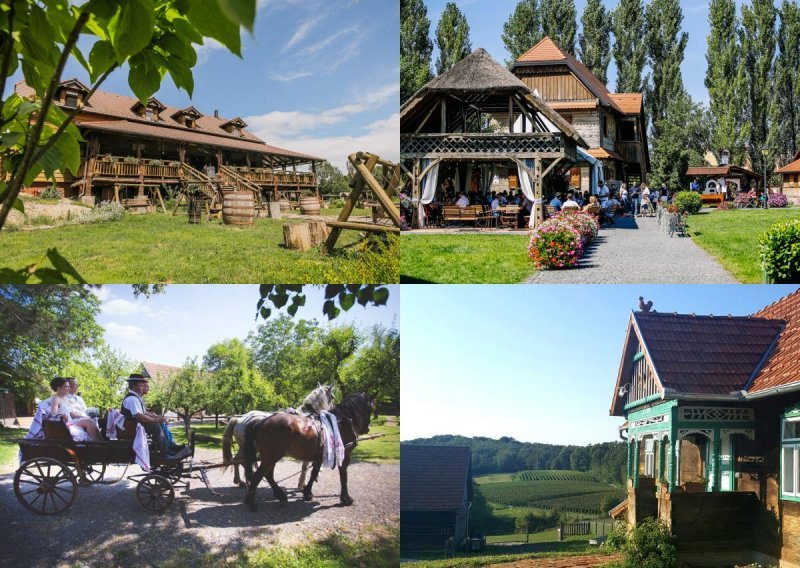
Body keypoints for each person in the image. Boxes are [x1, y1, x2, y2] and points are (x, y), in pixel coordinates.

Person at [121, 374, 186, 458]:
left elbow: (143, 413)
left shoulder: (136, 398)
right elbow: (139, 416)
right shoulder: (132, 399)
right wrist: (155, 420)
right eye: (141, 385)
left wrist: (156, 418)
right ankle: (164, 453)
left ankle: (169, 446)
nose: (143, 387)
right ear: (133, 386)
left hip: (137, 425)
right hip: (133, 428)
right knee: (155, 426)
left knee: (159, 423)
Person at [47, 377, 100, 441]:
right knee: (89, 422)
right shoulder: (55, 398)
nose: (69, 389)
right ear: (58, 387)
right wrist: (61, 416)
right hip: (64, 424)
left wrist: (85, 416)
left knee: (91, 420)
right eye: (66, 387)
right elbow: (53, 414)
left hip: (71, 421)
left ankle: (102, 443)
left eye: (69, 387)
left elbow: (72, 415)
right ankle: (95, 445)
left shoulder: (65, 399)